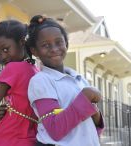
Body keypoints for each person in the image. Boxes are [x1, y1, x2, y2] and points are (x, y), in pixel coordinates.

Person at [26, 15, 104, 146]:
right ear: (35, 51)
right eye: (45, 45)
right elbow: (55, 129)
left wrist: (96, 114)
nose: (54, 49)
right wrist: (85, 97)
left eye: (59, 42)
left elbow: (92, 127)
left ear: (66, 44)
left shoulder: (79, 78)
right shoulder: (41, 80)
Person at [0, 19, 38, 146]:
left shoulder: (13, 68)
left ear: (22, 42)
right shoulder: (37, 71)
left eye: (6, 49)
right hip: (26, 138)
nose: (2, 57)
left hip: (7, 139)